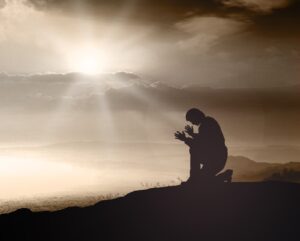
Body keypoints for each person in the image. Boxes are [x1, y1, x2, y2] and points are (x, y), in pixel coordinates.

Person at [175, 108, 232, 184]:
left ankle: (193, 177)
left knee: (194, 150)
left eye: (191, 120)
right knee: (201, 181)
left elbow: (201, 144)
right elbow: (205, 139)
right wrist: (192, 135)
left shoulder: (206, 124)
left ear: (196, 116)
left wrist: (185, 139)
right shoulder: (208, 122)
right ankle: (225, 176)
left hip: (216, 160)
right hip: (216, 158)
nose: (192, 123)